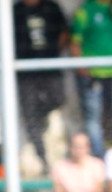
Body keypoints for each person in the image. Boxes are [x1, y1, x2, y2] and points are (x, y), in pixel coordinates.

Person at [70, 0, 112, 157]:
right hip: (93, 75)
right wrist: (82, 68)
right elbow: (74, 42)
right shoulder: (86, 11)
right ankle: (99, 157)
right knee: (93, 117)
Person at [13, 0, 69, 173]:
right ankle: (42, 158)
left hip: (50, 69)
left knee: (58, 99)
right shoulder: (16, 11)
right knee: (30, 115)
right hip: (25, 72)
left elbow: (65, 32)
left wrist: (53, 52)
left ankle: (42, 115)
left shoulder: (50, 7)